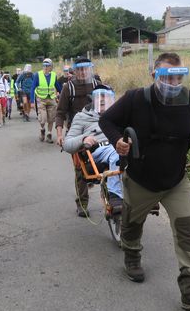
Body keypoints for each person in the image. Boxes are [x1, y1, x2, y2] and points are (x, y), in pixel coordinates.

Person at [99, 52, 190, 311]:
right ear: (154, 75)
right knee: (131, 223)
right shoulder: (135, 98)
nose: (173, 83)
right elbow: (106, 120)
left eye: (178, 77)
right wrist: (118, 140)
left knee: (188, 229)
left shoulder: (189, 99)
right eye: (167, 77)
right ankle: (131, 255)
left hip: (176, 179)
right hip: (142, 179)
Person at [62, 85, 122, 213]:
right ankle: (115, 195)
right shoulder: (82, 117)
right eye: (99, 99)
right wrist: (83, 139)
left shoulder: (119, 115)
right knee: (116, 152)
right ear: (93, 100)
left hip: (119, 145)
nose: (102, 101)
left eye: (106, 98)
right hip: (98, 150)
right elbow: (67, 144)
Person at [55, 58, 100, 216]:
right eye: (79, 69)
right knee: (80, 169)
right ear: (74, 71)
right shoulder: (69, 87)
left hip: (97, 130)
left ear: (90, 69)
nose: (83, 72)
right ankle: (82, 203)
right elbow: (60, 113)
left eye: (86, 69)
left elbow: (109, 105)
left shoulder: (98, 85)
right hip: (76, 132)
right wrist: (60, 134)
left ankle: (113, 197)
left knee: (109, 164)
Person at [31, 58, 62, 142]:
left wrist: (62, 94)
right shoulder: (37, 75)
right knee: (43, 118)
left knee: (51, 118)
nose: (45, 67)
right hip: (41, 99)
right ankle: (42, 129)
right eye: (44, 65)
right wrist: (32, 102)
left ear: (50, 66)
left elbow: (57, 86)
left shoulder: (53, 75)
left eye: (47, 65)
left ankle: (49, 134)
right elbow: (33, 88)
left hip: (51, 99)